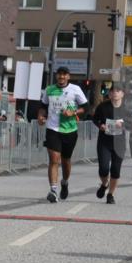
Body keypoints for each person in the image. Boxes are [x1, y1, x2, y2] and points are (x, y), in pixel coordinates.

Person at [37, 66, 89, 203]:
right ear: (56, 77)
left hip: (70, 130)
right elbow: (42, 107)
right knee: (54, 160)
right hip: (52, 129)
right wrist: (41, 117)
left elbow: (87, 107)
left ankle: (64, 182)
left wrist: (74, 112)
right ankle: (53, 190)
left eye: (64, 75)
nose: (61, 77)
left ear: (68, 76)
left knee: (66, 161)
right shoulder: (49, 90)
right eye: (59, 75)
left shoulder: (75, 90)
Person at [91, 84, 132, 204]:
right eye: (112, 91)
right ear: (109, 94)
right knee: (103, 169)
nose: (115, 93)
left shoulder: (126, 110)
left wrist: (123, 125)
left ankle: (110, 194)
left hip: (119, 144)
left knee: (115, 170)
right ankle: (104, 183)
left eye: (118, 91)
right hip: (104, 142)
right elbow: (94, 119)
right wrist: (101, 126)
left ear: (122, 94)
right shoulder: (103, 107)